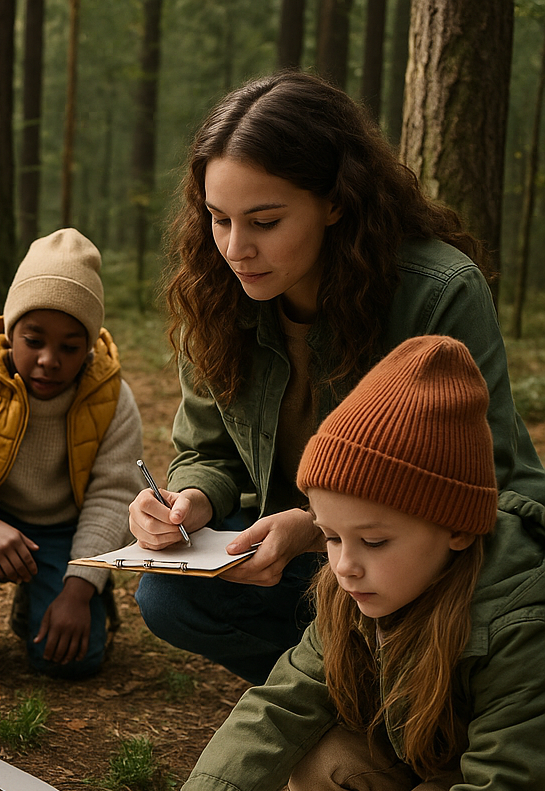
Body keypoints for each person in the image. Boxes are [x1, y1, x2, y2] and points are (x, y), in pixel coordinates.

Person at [133, 335, 544, 791]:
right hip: (441, 755)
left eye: (373, 541)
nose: (345, 566)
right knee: (324, 767)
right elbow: (282, 703)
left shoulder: (522, 618)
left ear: (459, 529)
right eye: (328, 537)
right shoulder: (358, 587)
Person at [129, 70, 545, 687]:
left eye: (265, 222)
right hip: (301, 562)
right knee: (169, 597)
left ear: (335, 201)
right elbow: (209, 452)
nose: (235, 249)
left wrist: (316, 529)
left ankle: (388, 693)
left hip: (419, 563)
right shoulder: (215, 294)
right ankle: (341, 696)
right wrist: (190, 502)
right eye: (219, 219)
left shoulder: (437, 292)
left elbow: (491, 486)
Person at [0, 228, 143, 679]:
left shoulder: (112, 398)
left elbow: (114, 496)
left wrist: (80, 587)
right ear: (10, 331)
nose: (49, 360)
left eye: (69, 347)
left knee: (71, 665)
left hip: (67, 533)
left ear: (89, 347)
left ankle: (62, 593)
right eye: (34, 341)